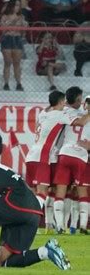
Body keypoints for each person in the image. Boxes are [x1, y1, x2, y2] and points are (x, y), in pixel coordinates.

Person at [25, 90, 90, 233]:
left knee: (36, 192)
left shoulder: (43, 113)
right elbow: (80, 121)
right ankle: (29, 222)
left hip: (31, 155)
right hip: (43, 157)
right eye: (63, 102)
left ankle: (45, 224)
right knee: (43, 193)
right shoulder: (61, 115)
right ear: (61, 102)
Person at [53, 86, 90, 234]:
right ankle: (82, 226)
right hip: (81, 156)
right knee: (82, 192)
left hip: (65, 153)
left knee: (60, 190)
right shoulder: (85, 117)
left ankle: (60, 226)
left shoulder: (65, 112)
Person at [0, 0, 27, 91]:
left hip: (17, 39)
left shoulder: (21, 17)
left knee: (17, 63)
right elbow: (2, 30)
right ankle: (6, 83)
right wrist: (12, 22)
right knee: (7, 62)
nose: (17, 7)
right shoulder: (5, 16)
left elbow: (24, 32)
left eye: (19, 5)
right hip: (7, 39)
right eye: (15, 5)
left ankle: (19, 83)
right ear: (11, 6)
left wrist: (25, 26)